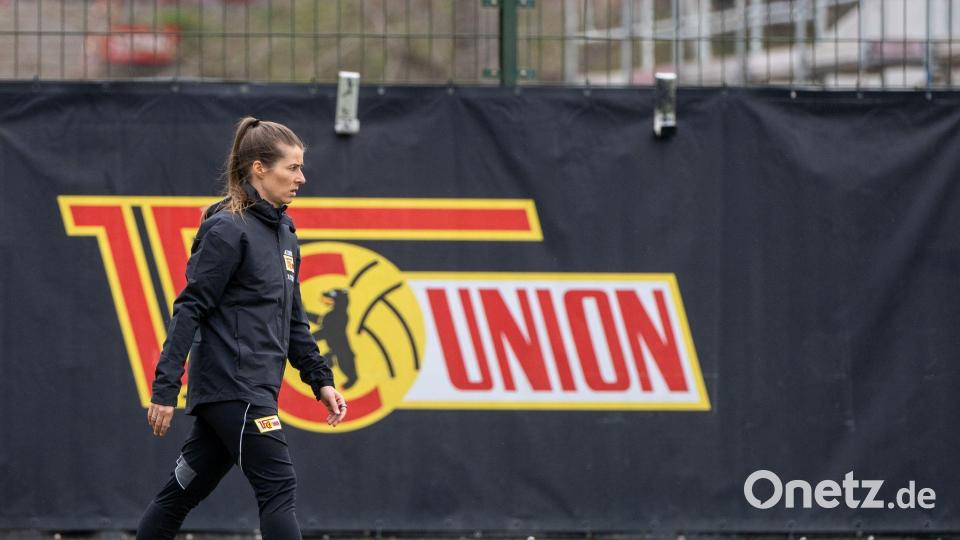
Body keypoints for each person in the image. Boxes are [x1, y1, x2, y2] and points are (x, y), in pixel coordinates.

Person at [137, 117, 347, 540]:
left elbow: (294, 322)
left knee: (179, 493)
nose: (301, 178)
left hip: (243, 393)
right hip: (236, 389)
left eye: (301, 167)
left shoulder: (285, 235)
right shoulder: (227, 229)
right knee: (278, 486)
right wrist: (164, 389)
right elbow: (189, 309)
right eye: (292, 168)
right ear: (258, 169)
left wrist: (320, 381)